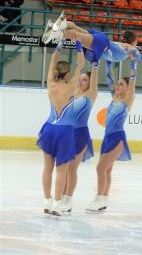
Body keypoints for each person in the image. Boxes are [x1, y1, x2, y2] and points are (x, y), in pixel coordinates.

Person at [86, 51, 138, 212]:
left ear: (128, 88)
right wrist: (108, 58)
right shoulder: (113, 97)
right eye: (117, 84)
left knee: (100, 169)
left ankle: (99, 198)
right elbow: (109, 75)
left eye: (121, 84)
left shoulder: (127, 100)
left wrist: (133, 62)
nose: (117, 86)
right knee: (106, 170)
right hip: (107, 138)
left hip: (117, 139)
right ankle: (104, 199)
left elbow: (133, 79)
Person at [38, 40, 84, 216]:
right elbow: (81, 64)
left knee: (47, 168)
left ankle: (47, 202)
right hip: (64, 131)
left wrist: (58, 48)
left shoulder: (51, 82)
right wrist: (79, 47)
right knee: (62, 170)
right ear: (68, 74)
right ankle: (57, 204)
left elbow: (52, 62)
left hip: (49, 128)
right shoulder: (71, 86)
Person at [42, 13, 142, 68]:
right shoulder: (131, 49)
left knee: (77, 29)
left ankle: (57, 25)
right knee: (76, 35)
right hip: (101, 44)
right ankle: (54, 32)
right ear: (133, 42)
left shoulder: (124, 47)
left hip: (102, 42)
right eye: (137, 42)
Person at [62, 42, 99, 213]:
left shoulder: (90, 95)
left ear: (90, 83)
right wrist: (78, 50)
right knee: (64, 167)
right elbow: (78, 67)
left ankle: (68, 200)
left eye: (84, 80)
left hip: (80, 134)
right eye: (81, 79)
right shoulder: (75, 93)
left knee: (72, 168)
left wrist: (95, 63)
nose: (81, 81)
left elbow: (94, 78)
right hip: (68, 133)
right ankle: (62, 197)